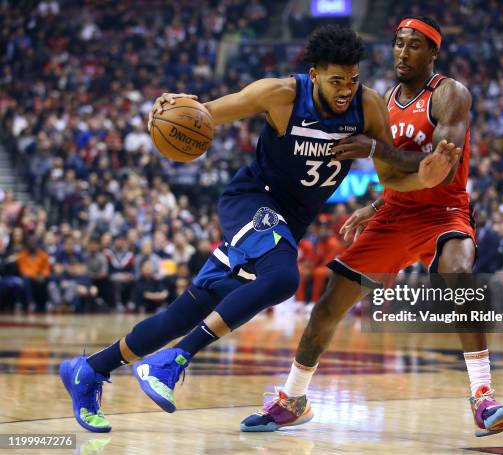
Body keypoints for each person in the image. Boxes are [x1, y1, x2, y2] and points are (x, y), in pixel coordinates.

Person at [59, 25, 461, 433]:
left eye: (352, 78)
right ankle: (172, 361)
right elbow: (206, 113)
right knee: (284, 276)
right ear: (315, 74)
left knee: (189, 309)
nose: (345, 89)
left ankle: (88, 370)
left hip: (285, 224)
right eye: (336, 79)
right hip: (251, 200)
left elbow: (392, 177)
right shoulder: (281, 94)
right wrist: (168, 107)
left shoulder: (368, 107)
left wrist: (425, 180)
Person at [240, 17, 503, 437]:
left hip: (443, 211)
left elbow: (436, 168)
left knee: (459, 275)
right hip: (394, 213)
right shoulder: (384, 100)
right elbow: (393, 168)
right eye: (398, 44)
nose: (403, 53)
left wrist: (374, 148)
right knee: (329, 305)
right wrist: (375, 203)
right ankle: (293, 399)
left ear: (433, 53)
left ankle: (483, 396)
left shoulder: (449, 94)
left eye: (414, 46)